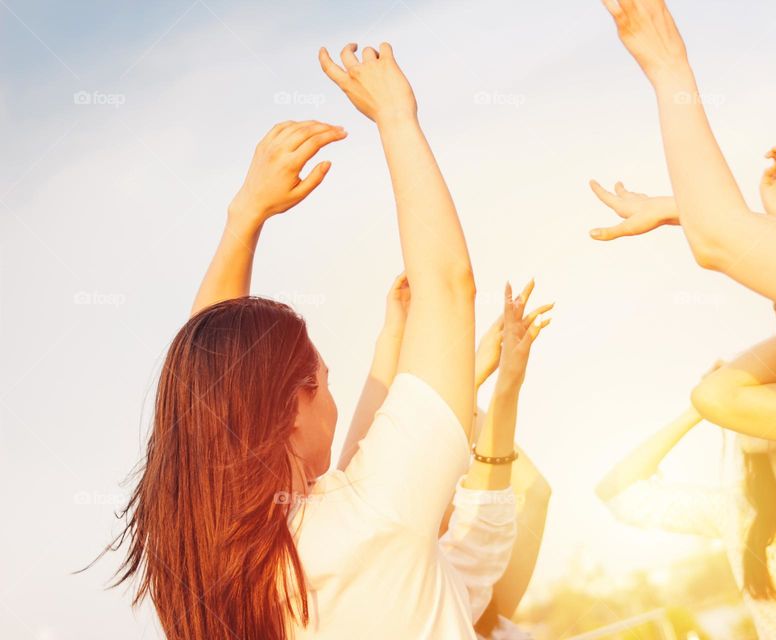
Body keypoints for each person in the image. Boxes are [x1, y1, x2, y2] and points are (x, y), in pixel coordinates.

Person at [111, 42, 493, 640]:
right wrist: (397, 116)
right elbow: (448, 287)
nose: (336, 404)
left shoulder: (196, 564)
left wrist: (245, 217)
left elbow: (211, 380)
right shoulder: (373, 519)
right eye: (326, 383)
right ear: (291, 405)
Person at [596, 149, 776, 640]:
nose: (744, 413)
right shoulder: (738, 512)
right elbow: (620, 491)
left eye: (760, 394)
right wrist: (699, 408)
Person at [336, 275, 552, 640]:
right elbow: (526, 494)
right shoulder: (449, 599)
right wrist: (488, 383)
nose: (456, 490)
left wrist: (472, 379)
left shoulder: (463, 599)